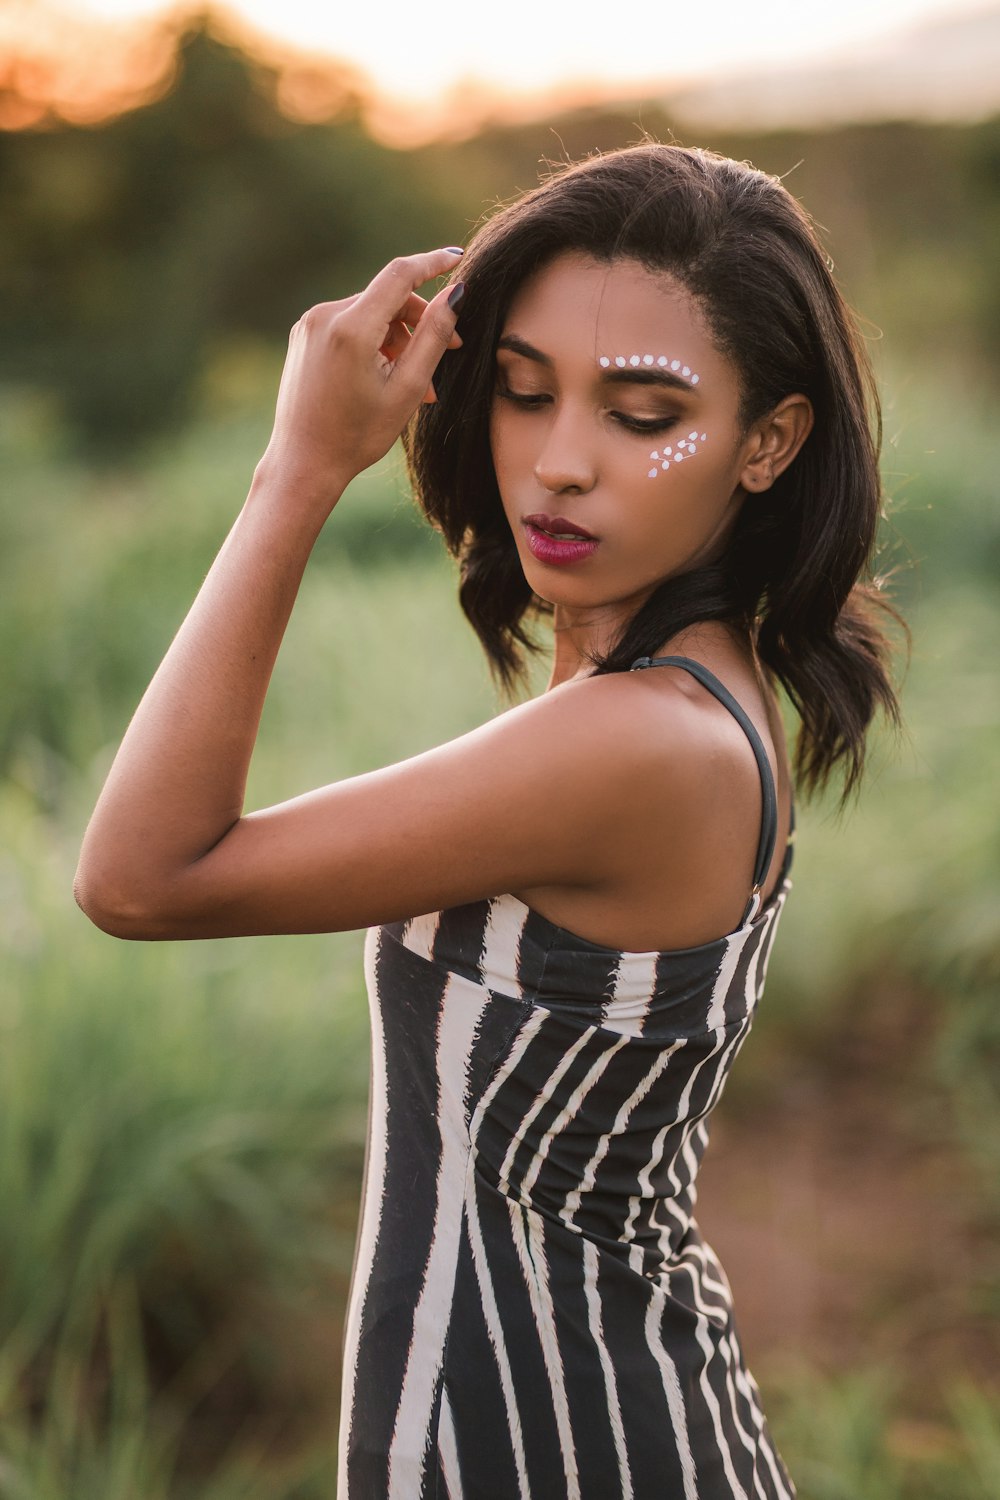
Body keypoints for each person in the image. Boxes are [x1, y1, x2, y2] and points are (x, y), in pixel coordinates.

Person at [76, 143, 902, 1499]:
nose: (559, 463)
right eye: (524, 393)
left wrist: (295, 472)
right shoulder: (678, 685)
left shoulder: (638, 745)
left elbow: (141, 876)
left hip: (558, 1440)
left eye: (643, 416)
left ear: (771, 441)